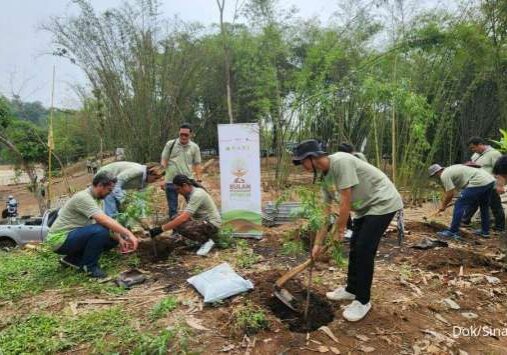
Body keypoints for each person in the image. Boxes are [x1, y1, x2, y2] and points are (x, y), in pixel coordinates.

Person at [292, 139, 403, 322]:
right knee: (354, 248)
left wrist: (339, 230)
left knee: (364, 250)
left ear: (311, 157)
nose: (301, 166)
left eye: (301, 161)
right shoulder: (325, 179)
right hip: (363, 209)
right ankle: (352, 289)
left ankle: (363, 301)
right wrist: (318, 243)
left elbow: (345, 200)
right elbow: (325, 214)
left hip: (383, 202)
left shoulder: (341, 161)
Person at [46, 171, 139, 278]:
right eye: (109, 190)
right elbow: (104, 221)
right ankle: (89, 267)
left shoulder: (100, 200)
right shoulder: (83, 197)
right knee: (100, 231)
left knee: (112, 239)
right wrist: (129, 234)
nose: (110, 193)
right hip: (59, 239)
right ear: (100, 185)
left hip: (74, 236)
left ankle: (72, 259)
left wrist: (120, 239)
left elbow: (108, 223)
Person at [149, 174, 221, 245]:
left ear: (185, 185)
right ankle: (202, 239)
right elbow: (182, 216)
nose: (177, 192)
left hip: (211, 225)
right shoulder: (191, 193)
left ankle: (207, 241)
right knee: (175, 218)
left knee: (182, 226)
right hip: (203, 222)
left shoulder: (197, 194)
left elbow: (183, 218)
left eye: (178, 189)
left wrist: (161, 229)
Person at [428, 163, 495, 239]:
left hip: (478, 181)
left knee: (459, 204)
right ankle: (485, 231)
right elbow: (460, 189)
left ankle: (453, 232)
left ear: (437, 172)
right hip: (489, 180)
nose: (437, 177)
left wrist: (443, 206)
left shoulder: (444, 175)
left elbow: (450, 194)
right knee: (484, 206)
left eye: (435, 175)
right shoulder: (451, 169)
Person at [461, 137, 504, 231]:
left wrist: (499, 185)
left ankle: (500, 227)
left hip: (490, 184)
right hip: (478, 184)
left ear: (480, 144)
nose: (473, 150)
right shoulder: (475, 155)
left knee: (495, 205)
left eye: (473, 147)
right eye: (471, 148)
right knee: (473, 202)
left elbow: (500, 169)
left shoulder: (494, 154)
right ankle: (465, 221)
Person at [160, 123, 202, 218]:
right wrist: (162, 178)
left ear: (191, 135)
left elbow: (197, 164)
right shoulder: (170, 144)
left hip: (187, 182)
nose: (183, 137)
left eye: (186, 135)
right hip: (171, 181)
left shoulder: (194, 147)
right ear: (179, 133)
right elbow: (164, 160)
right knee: (173, 209)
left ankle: (196, 229)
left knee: (194, 207)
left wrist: (199, 179)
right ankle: (175, 232)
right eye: (181, 134)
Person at [97, 161, 165, 217]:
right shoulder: (137, 171)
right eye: (156, 178)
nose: (156, 181)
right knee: (111, 197)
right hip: (105, 176)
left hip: (115, 183)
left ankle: (118, 223)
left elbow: (141, 198)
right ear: (151, 173)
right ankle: (111, 223)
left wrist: (142, 214)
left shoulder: (145, 182)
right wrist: (124, 200)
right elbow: (117, 183)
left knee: (122, 204)